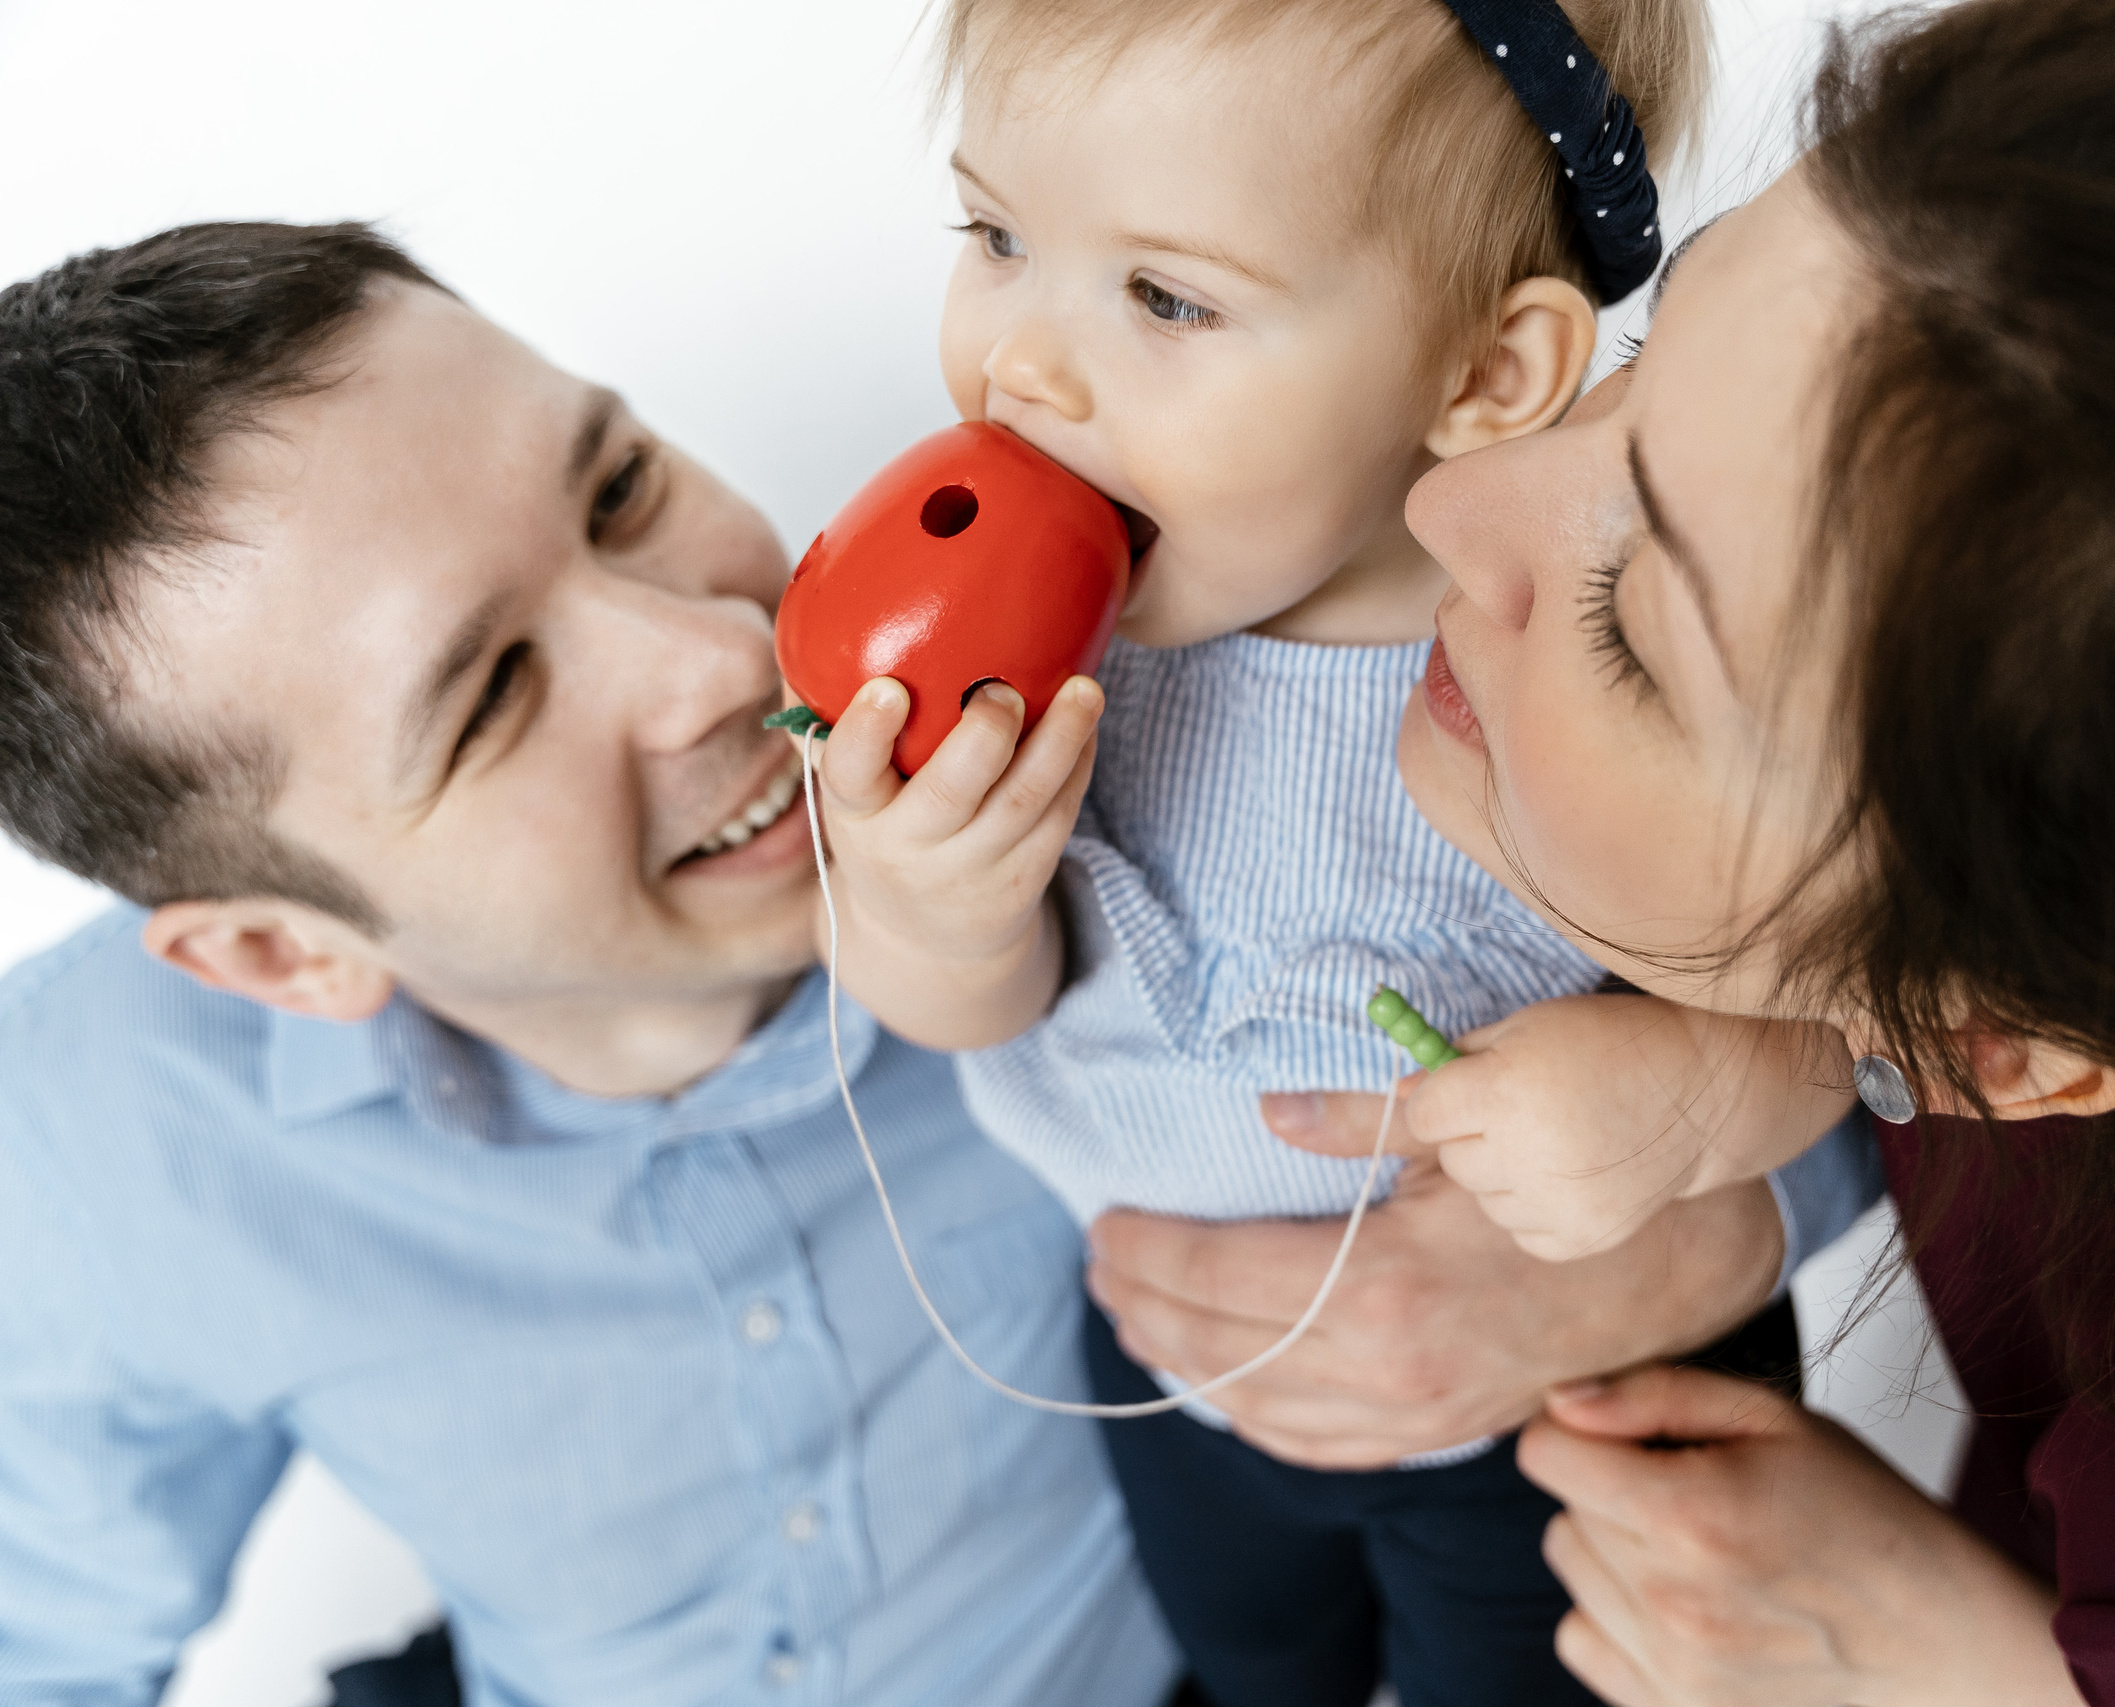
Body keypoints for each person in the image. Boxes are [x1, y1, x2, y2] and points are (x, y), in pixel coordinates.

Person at [0, 219, 1820, 1705]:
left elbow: (1858, 1008)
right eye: (490, 695)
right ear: (268, 950)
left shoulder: (1171, 746)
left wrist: (1694, 1240)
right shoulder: (94, 1141)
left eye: (621, 483)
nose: (712, 657)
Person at [1356, 0, 2115, 1699]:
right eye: (1658, 342)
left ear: (1997, 1043)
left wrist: (1936, 1654)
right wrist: (1732, 1107)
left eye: (1635, 630)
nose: (1449, 503)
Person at [797, 2, 1874, 1703]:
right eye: (997, 237)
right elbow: (972, 1013)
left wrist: (1677, 1076)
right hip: (1181, 1361)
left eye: (1165, 296)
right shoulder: (1045, 654)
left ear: (1483, 376)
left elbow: (1836, 1025)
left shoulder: (1593, 667)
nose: (1024, 366)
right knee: (1244, 1659)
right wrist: (932, 901)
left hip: (1567, 1398)